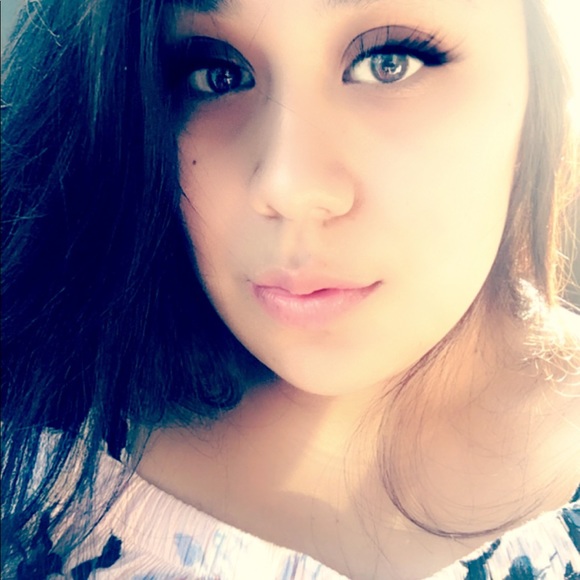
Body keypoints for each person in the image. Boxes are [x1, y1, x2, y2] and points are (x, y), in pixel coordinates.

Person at [1, 0, 579, 578]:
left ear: (536, 79)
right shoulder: (33, 442)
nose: (290, 186)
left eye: (389, 62)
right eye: (218, 73)